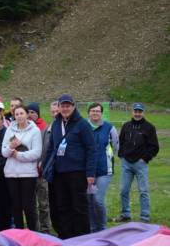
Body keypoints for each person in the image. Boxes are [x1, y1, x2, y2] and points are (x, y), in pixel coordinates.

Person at [44, 94, 97, 239]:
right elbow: (51, 148)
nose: (65, 108)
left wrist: (90, 173)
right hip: (59, 173)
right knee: (62, 206)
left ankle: (82, 237)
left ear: (73, 106)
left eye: (68, 106)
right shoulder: (56, 123)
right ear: (59, 107)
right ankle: (66, 236)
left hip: (77, 172)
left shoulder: (82, 124)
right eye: (63, 106)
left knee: (79, 207)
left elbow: (91, 149)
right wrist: (45, 167)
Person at [2, 106, 42, 231]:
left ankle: (33, 233)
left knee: (28, 206)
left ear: (26, 115)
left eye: (21, 113)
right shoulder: (9, 130)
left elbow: (37, 153)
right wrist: (10, 148)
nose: (19, 116)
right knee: (16, 206)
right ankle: (19, 233)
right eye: (16, 114)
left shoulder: (34, 131)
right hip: (11, 174)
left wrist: (18, 155)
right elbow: (4, 152)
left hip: (28, 174)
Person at [118, 103, 159, 223]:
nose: (137, 113)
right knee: (124, 190)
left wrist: (145, 158)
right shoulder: (126, 126)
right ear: (132, 112)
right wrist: (122, 155)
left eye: (139, 111)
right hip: (126, 163)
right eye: (135, 111)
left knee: (143, 191)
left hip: (141, 164)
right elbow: (120, 142)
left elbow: (154, 147)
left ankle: (145, 217)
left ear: (143, 112)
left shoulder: (149, 127)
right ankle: (125, 214)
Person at [87, 103, 119, 232]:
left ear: (101, 113)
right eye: (93, 111)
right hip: (88, 171)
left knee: (98, 200)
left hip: (104, 170)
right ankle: (92, 227)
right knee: (89, 200)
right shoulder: (83, 127)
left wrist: (109, 157)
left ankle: (102, 227)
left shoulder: (109, 128)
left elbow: (116, 146)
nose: (95, 113)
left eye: (98, 111)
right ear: (88, 113)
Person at [39, 101, 59, 234]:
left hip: (64, 171)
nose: (55, 114)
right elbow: (43, 149)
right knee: (50, 201)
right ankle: (54, 228)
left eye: (56, 111)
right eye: (52, 112)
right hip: (49, 172)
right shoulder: (47, 129)